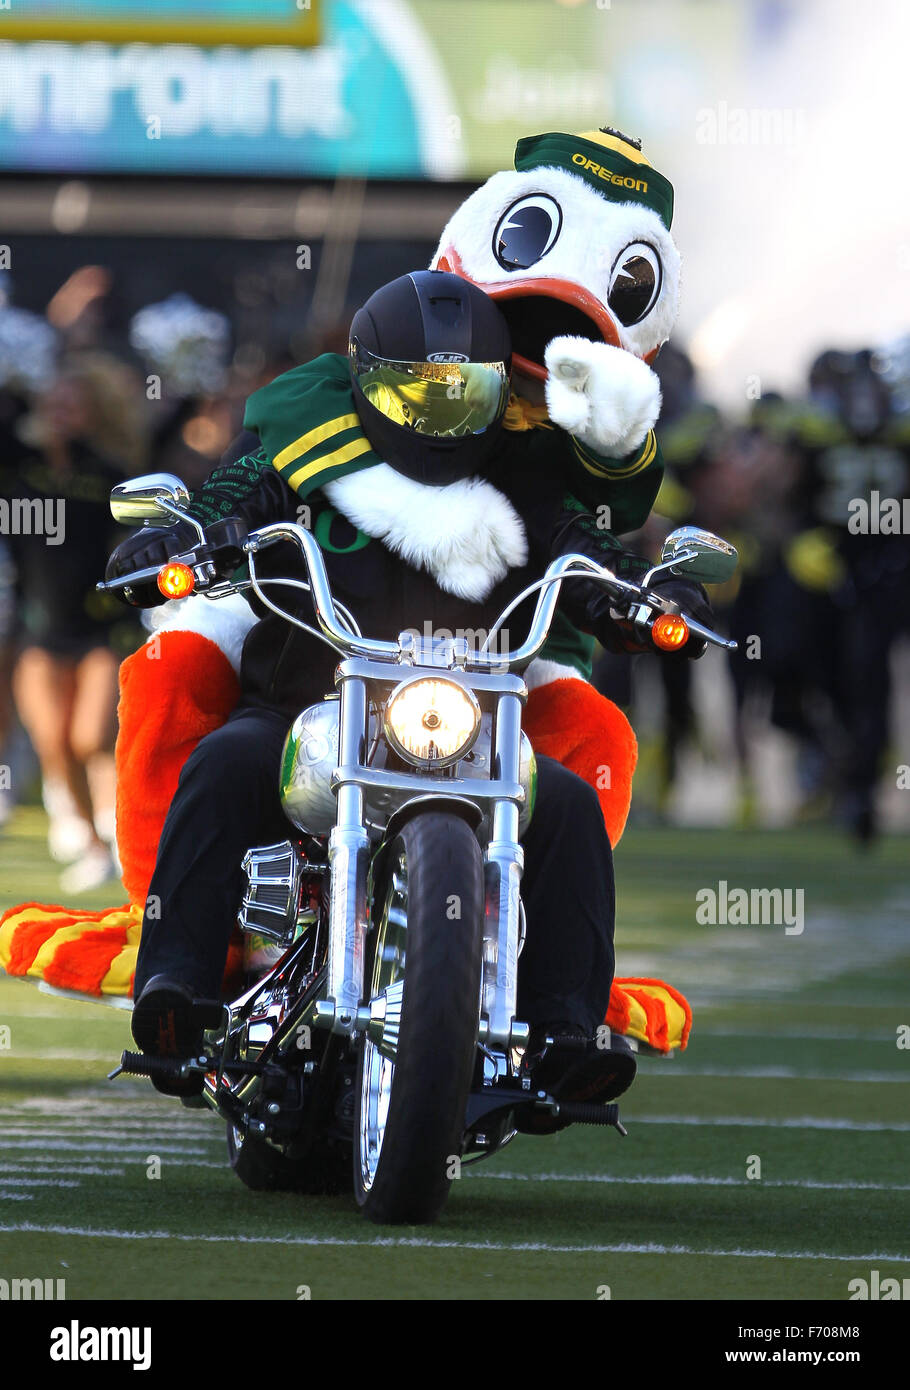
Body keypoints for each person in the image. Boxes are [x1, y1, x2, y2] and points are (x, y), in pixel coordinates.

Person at [107, 272, 710, 1110]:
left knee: (567, 805)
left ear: (500, 391)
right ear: (364, 377)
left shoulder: (520, 474)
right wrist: (189, 537)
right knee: (222, 762)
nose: (439, 412)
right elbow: (235, 494)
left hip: (470, 727)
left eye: (464, 391)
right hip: (299, 707)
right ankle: (175, 985)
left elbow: (580, 549)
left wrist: (641, 595)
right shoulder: (307, 448)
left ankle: (567, 1030)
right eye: (416, 389)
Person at [3, 352, 146, 889]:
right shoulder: (18, 468)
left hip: (97, 629)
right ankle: (89, 840)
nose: (61, 412)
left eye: (73, 404)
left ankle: (117, 827)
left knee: (92, 734)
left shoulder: (105, 474)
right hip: (39, 629)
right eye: (54, 402)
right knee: (53, 740)